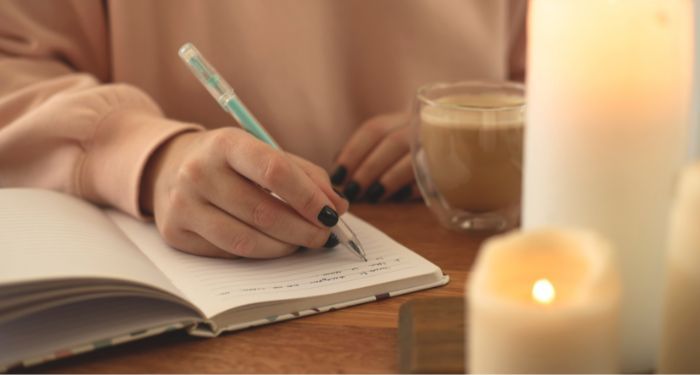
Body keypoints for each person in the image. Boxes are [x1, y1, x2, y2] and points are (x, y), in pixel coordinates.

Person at [0, 0, 526, 259]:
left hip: (479, 251)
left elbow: (592, 65)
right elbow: (15, 66)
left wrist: (479, 135)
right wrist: (150, 156)